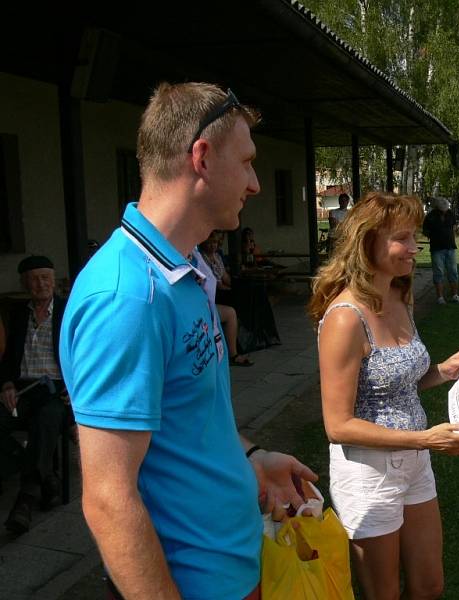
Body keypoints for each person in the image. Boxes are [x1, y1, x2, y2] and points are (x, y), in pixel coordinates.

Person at [59, 82, 316, 600]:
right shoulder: (126, 298)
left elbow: (190, 420)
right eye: (245, 162)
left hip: (236, 566)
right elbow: (109, 499)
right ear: (201, 157)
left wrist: (252, 458)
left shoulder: (184, 271)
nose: (256, 183)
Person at [308, 191, 459, 600]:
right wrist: (426, 439)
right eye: (402, 238)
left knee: (429, 585)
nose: (413, 247)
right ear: (367, 242)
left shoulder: (399, 296)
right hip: (368, 473)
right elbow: (338, 425)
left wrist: (443, 371)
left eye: (414, 236)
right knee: (383, 593)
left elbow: (397, 383)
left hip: (414, 463)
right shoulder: (345, 319)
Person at [1, 255, 69, 533]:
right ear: (23, 283)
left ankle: (25, 501)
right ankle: (46, 476)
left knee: (47, 420)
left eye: (45, 277)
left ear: (54, 281)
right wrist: (5, 384)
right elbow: (4, 359)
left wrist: (75, 388)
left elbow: (87, 353)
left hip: (55, 391)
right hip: (21, 390)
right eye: (33, 278)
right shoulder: (16, 314)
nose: (39, 284)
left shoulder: (68, 310)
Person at [199, 231, 253, 367]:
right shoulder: (201, 258)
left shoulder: (217, 257)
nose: (212, 246)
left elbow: (225, 278)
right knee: (231, 311)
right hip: (212, 297)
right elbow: (213, 283)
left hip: (222, 292)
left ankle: (247, 340)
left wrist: (234, 285)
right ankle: (233, 353)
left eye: (215, 243)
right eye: (210, 243)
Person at [422, 197, 459, 305]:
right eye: (442, 209)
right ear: (437, 208)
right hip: (436, 248)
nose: (445, 211)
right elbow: (425, 231)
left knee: (453, 272)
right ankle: (440, 298)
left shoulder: (450, 214)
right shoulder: (430, 216)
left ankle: (455, 295)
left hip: (450, 247)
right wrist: (433, 235)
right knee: (438, 273)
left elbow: (454, 227)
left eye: (445, 208)